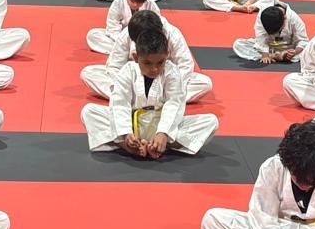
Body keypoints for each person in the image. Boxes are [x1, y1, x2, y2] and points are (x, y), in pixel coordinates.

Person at [81, 28, 220, 157]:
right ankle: (128, 145)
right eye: (147, 63)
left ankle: (160, 145)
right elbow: (119, 103)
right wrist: (126, 133)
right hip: (132, 125)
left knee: (210, 122)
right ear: (136, 58)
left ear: (167, 55)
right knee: (89, 112)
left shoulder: (172, 72)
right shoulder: (128, 71)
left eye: (160, 62)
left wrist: (163, 132)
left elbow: (174, 104)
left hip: (162, 125)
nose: (154, 69)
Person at [83, 10, 210, 103]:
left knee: (204, 83)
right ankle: (143, 99)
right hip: (134, 80)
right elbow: (114, 66)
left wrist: (172, 86)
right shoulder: (128, 34)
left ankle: (152, 100)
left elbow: (186, 65)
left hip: (164, 81)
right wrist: (126, 85)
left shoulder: (173, 34)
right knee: (88, 73)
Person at [87, 0, 161, 54]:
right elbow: (112, 29)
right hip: (122, 40)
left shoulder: (151, 5)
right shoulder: (118, 3)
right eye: (132, 1)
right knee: (92, 35)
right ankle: (134, 53)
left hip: (143, 41)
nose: (135, 4)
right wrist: (126, 42)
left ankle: (126, 53)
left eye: (139, 2)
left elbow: (157, 28)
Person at [232, 1, 308, 64]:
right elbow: (260, 37)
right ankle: (276, 56)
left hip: (289, 47)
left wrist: (294, 52)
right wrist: (265, 55)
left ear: (285, 19)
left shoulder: (294, 19)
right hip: (269, 46)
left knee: (308, 51)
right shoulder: (263, 14)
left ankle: (281, 56)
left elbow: (303, 40)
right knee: (238, 44)